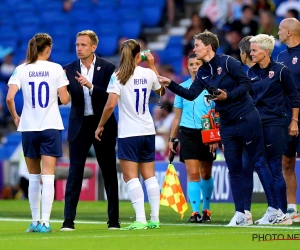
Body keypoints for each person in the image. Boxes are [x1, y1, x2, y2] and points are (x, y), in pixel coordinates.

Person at [158, 30, 288, 226]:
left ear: (208, 46)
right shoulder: (203, 72)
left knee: (259, 162)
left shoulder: (228, 62)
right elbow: (191, 94)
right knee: (234, 169)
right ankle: (241, 214)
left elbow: (246, 85)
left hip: (246, 118)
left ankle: (275, 210)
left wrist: (228, 96)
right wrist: (170, 84)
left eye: (197, 46)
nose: (194, 49)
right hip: (227, 123)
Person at [95, 39, 165, 230]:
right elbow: (162, 91)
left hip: (129, 133)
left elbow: (110, 105)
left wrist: (100, 125)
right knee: (149, 176)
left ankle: (141, 219)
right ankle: (155, 218)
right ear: (138, 55)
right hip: (148, 130)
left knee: (131, 177)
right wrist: (152, 65)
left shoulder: (118, 76)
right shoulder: (148, 73)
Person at [6, 33, 69, 233]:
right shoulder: (56, 68)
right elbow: (65, 99)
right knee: (48, 177)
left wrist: (16, 117)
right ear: (48, 49)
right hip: (50, 127)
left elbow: (9, 98)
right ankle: (45, 222)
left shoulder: (21, 69)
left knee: (34, 176)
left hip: (29, 128)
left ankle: (34, 221)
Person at [60, 30, 119, 231]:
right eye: (77, 44)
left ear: (94, 47)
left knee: (109, 172)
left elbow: (112, 98)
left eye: (83, 45)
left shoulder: (109, 68)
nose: (79, 48)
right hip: (79, 126)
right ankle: (68, 221)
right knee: (74, 173)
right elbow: (62, 98)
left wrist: (91, 86)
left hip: (103, 126)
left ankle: (113, 221)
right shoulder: (67, 69)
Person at [248, 34, 299, 224]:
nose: (251, 53)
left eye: (254, 50)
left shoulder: (280, 71)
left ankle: (281, 211)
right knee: (264, 166)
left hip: (275, 123)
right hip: (257, 124)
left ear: (265, 51)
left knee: (274, 167)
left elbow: (294, 96)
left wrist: (294, 121)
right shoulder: (251, 73)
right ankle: (274, 209)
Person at [169, 53, 217, 223]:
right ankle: (195, 212)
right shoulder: (181, 88)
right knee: (193, 174)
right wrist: (172, 138)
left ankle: (207, 209)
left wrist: (215, 137)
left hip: (207, 134)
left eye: (198, 63)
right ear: (187, 67)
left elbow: (216, 114)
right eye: (191, 64)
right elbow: (177, 117)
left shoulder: (212, 87)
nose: (194, 67)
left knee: (206, 173)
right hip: (188, 133)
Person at [277, 17, 300, 222]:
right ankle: (292, 209)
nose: (278, 33)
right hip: (284, 118)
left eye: (280, 30)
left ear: (289, 32)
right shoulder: (281, 56)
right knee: (286, 162)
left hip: (298, 117)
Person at [238, 36, 255, 225]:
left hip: (247, 127)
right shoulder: (273, 71)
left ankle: (246, 212)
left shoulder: (241, 76)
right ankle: (280, 209)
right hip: (270, 124)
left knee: (246, 169)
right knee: (273, 168)